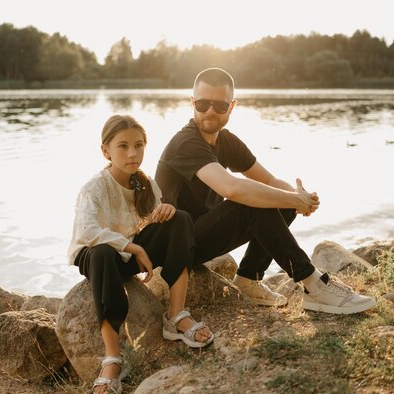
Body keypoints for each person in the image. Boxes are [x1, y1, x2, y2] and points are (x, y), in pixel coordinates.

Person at [155, 67, 376, 314]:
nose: (209, 111)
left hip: (199, 236)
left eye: (219, 106)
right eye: (203, 104)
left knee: (277, 200)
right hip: (174, 246)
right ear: (192, 102)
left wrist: (299, 198)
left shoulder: (226, 141)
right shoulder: (185, 143)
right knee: (252, 204)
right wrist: (293, 198)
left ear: (232, 106)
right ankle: (313, 284)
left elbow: (268, 179)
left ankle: (249, 279)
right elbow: (233, 188)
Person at [67, 115, 214, 394]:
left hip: (131, 252)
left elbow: (151, 217)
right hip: (95, 256)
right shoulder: (94, 188)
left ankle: (176, 316)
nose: (132, 153)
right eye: (122, 146)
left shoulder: (145, 184)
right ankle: (112, 357)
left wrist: (165, 212)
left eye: (138, 145)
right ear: (105, 151)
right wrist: (133, 249)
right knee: (103, 252)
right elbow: (87, 232)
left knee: (180, 219)